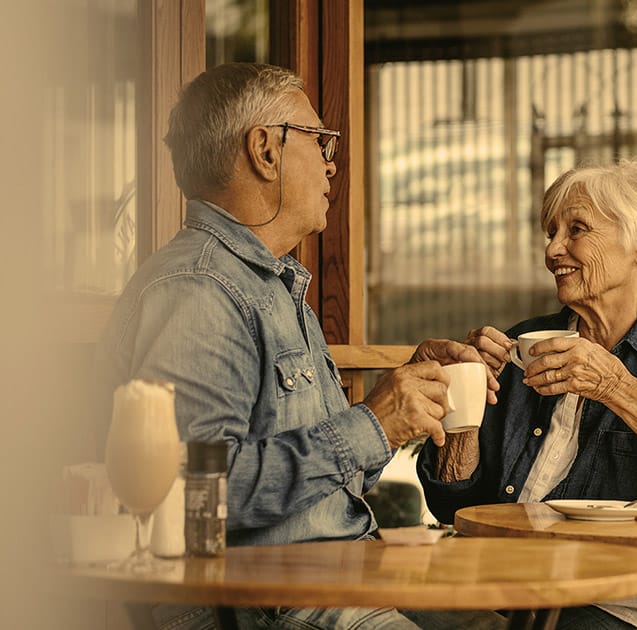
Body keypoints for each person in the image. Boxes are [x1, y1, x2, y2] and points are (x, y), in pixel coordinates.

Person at [97, 62, 503, 630]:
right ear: (265, 150)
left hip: (339, 573)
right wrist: (373, 423)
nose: (332, 161)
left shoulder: (272, 284)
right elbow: (194, 497)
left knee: (499, 621)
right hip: (270, 601)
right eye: (320, 140)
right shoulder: (201, 290)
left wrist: (403, 405)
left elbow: (339, 480)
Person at [417, 157, 637, 629]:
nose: (553, 250)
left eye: (576, 229)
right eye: (550, 232)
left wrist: (618, 388)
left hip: (615, 604)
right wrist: (465, 398)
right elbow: (454, 506)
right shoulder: (527, 342)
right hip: (496, 583)